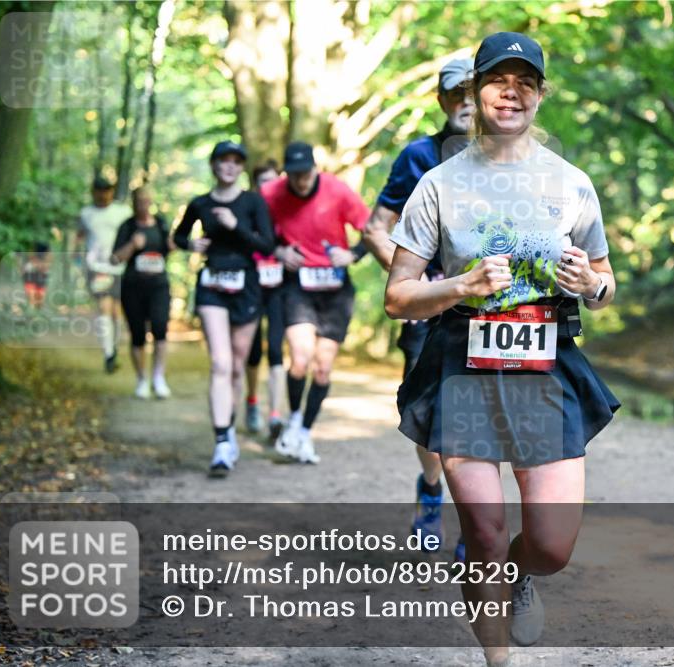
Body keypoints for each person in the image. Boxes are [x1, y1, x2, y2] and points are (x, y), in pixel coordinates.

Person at [385, 33, 619, 665]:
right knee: (484, 533)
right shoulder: (438, 185)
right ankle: (497, 661)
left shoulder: (571, 184)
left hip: (547, 365)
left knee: (550, 544)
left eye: (525, 81)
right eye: (497, 80)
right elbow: (398, 296)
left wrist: (590, 284)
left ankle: (521, 578)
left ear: (540, 94)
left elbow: (604, 282)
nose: (510, 91)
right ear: (474, 91)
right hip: (464, 363)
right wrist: (459, 284)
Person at [363, 58, 474, 557]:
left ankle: (475, 524)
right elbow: (374, 226)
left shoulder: (513, 158)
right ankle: (431, 491)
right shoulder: (419, 155)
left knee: (478, 414)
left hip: (489, 311)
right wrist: (413, 277)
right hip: (429, 309)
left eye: (476, 91)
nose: (467, 103)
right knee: (429, 415)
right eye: (457, 94)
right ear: (441, 100)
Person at [261, 141, 370, 464]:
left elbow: (372, 229)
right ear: (286, 174)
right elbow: (256, 233)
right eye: (294, 174)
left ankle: (305, 433)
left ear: (315, 169)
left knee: (322, 367)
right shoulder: (270, 194)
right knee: (300, 358)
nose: (301, 180)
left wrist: (353, 254)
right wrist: (278, 252)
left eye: (305, 172)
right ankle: (293, 420)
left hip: (335, 288)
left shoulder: (338, 191)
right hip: (298, 286)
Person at [173, 141, 276, 477]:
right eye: (223, 161)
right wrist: (191, 244)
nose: (229, 167)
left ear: (242, 168)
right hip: (212, 284)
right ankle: (221, 442)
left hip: (246, 286)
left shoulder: (252, 201)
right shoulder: (200, 203)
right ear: (213, 165)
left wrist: (236, 226)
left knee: (236, 366)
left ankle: (230, 430)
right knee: (220, 362)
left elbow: (267, 244)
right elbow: (178, 237)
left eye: (236, 161)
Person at [110, 187, 175, 399]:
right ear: (133, 203)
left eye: (147, 200)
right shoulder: (127, 227)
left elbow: (171, 247)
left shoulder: (161, 223)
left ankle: (158, 377)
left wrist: (174, 242)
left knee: (160, 329)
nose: (143, 204)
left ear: (151, 201)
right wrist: (132, 244)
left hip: (159, 287)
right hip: (133, 287)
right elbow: (115, 258)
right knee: (138, 335)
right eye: (139, 201)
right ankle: (141, 380)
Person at [244, 161, 288, 441]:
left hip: (279, 289)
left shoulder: (287, 213)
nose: (267, 187)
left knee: (275, 349)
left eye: (273, 181)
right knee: (252, 352)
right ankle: (251, 402)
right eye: (263, 181)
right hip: (250, 288)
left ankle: (275, 414)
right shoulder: (246, 211)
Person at [76, 175, 132, 373]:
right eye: (99, 190)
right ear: (94, 192)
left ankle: (113, 348)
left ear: (112, 191)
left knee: (116, 311)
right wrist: (76, 259)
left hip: (120, 267)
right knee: (104, 307)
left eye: (107, 190)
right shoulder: (86, 213)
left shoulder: (123, 212)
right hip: (97, 268)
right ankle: (108, 353)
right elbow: (80, 236)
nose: (103, 194)